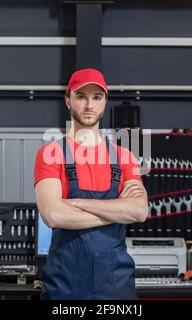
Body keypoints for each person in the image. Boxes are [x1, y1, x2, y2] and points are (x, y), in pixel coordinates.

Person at [34, 68, 148, 300]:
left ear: (105, 102)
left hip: (115, 285)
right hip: (65, 286)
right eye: (81, 96)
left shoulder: (124, 157)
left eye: (96, 97)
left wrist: (75, 203)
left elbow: (138, 211)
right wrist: (116, 210)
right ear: (68, 100)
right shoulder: (50, 154)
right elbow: (54, 215)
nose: (89, 105)